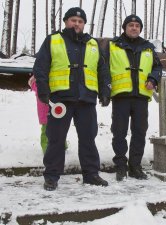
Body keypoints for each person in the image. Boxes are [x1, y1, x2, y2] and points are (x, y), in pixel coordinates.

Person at [33, 7, 111, 191]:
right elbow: (41, 66)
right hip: (61, 99)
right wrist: (43, 90)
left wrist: (105, 91)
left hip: (86, 99)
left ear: (84, 24)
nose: (76, 23)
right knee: (56, 139)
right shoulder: (53, 40)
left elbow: (103, 70)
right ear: (66, 21)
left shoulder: (93, 44)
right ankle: (51, 176)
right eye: (73, 20)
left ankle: (91, 174)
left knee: (88, 138)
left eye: (80, 21)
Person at [106, 15, 162, 181]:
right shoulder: (113, 45)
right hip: (121, 96)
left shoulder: (148, 47)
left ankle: (135, 167)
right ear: (125, 27)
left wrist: (153, 78)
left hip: (141, 97)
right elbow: (104, 67)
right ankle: (121, 166)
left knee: (139, 133)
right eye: (131, 25)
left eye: (137, 25)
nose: (134, 28)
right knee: (119, 132)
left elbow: (157, 66)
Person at [28, 76, 49, 154]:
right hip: (45, 111)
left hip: (55, 110)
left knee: (59, 129)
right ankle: (46, 148)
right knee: (46, 130)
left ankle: (63, 145)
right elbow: (33, 84)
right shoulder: (38, 83)